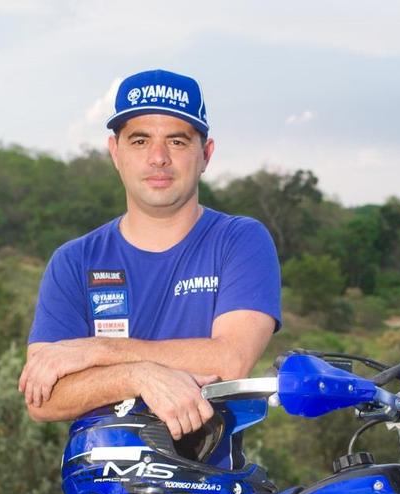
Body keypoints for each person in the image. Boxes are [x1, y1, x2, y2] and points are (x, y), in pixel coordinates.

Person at [19, 68, 281, 445]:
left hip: (214, 493)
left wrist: (95, 351)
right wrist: (137, 375)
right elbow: (43, 397)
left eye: (177, 141)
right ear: (115, 152)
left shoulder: (239, 240)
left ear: (205, 154)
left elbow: (229, 360)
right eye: (140, 141)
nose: (158, 158)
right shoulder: (73, 260)